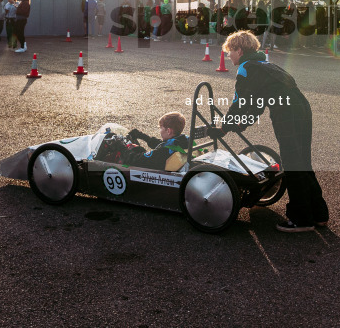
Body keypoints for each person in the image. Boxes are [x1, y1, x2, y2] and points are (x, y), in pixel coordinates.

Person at [214, 29, 329, 233]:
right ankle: (319, 214)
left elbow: (239, 103)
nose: (227, 55)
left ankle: (301, 220)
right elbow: (257, 104)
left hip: (286, 112)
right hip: (301, 107)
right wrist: (241, 124)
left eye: (229, 51)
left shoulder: (246, 68)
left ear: (239, 50)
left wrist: (224, 126)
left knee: (293, 163)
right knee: (302, 161)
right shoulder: (264, 63)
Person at [124, 112, 190, 170]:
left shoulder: (164, 152)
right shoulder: (183, 141)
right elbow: (162, 144)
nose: (160, 131)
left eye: (161, 128)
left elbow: (138, 160)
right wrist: (143, 136)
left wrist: (129, 148)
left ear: (169, 131)